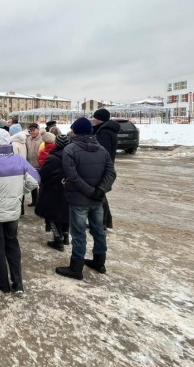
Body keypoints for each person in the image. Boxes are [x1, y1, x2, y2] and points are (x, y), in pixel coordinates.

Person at [0, 129, 40, 295]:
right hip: (13, 209)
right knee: (12, 242)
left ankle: (1, 282)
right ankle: (18, 283)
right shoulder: (19, 160)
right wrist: (20, 192)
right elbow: (35, 180)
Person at [55, 118, 116, 280]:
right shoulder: (102, 150)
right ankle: (99, 261)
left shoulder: (70, 150)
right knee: (98, 230)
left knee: (78, 233)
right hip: (97, 199)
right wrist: (100, 190)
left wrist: (92, 191)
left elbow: (72, 176)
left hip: (79, 200)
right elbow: (111, 173)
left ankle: (76, 267)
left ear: (75, 131)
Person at [36, 134, 71, 251]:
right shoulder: (72, 156)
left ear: (57, 144)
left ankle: (58, 240)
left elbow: (43, 174)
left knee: (52, 216)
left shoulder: (52, 158)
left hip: (52, 191)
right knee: (65, 214)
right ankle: (66, 237)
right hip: (67, 189)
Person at [92, 108, 120, 231]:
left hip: (102, 167)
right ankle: (105, 222)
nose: (94, 120)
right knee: (101, 195)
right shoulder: (104, 130)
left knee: (100, 194)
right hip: (104, 166)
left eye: (95, 118)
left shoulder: (104, 132)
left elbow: (103, 152)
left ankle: (102, 223)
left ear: (100, 119)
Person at [25, 123, 43, 207]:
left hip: (40, 165)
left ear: (38, 130)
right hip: (31, 165)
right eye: (30, 131)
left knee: (41, 185)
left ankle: (41, 202)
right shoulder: (28, 139)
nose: (32, 132)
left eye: (34, 130)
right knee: (33, 184)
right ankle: (34, 201)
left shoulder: (42, 139)